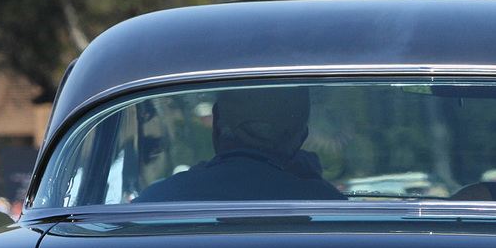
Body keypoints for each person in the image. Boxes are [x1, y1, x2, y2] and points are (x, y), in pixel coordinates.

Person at [135, 86, 344, 202]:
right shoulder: (326, 206)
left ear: (216, 122)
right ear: (300, 139)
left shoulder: (157, 200)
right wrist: (315, 185)